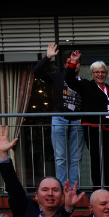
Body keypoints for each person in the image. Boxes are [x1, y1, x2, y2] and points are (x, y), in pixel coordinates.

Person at [0, 126, 79, 217]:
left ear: (62, 196)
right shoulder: (25, 210)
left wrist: (68, 208)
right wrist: (2, 155)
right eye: (45, 190)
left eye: (55, 190)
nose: (50, 193)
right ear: (36, 196)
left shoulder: (67, 216)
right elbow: (13, 186)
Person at [64, 53, 109, 190]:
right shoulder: (86, 85)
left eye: (103, 72)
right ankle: (98, 188)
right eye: (97, 72)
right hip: (93, 127)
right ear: (92, 73)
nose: (100, 74)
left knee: (108, 159)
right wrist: (72, 63)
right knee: (96, 158)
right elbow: (69, 80)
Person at [34, 43, 82, 186]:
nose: (73, 64)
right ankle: (61, 187)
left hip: (76, 121)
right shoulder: (57, 77)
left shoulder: (84, 82)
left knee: (76, 158)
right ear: (66, 65)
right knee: (60, 157)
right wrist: (48, 57)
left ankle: (74, 188)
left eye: (76, 61)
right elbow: (37, 72)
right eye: (70, 62)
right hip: (59, 118)